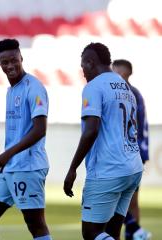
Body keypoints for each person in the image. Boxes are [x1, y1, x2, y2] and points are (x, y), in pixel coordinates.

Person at [63, 43, 143, 240]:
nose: (82, 72)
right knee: (111, 232)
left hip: (108, 170)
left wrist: (73, 168)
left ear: (90, 62)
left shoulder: (93, 87)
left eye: (83, 66)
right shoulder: (124, 86)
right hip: (132, 167)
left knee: (91, 233)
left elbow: (91, 130)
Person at [0, 38, 52, 240]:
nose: (10, 65)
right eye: (4, 62)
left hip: (28, 166)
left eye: (13, 60)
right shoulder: (12, 90)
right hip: (9, 166)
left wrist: (6, 154)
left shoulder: (33, 87)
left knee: (35, 224)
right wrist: (3, 160)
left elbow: (40, 130)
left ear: (21, 57)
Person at [112, 59, 151, 240]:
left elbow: (140, 126)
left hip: (128, 154)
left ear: (126, 73)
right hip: (129, 153)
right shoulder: (128, 93)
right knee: (128, 200)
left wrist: (141, 152)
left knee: (120, 199)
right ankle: (134, 232)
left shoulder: (130, 94)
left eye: (116, 70)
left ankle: (133, 232)